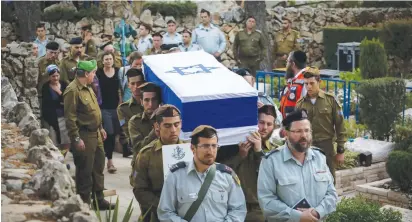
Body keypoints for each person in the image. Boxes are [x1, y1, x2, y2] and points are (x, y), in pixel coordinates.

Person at [258, 109, 338, 222]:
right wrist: (297, 217)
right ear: (286, 133)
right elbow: (266, 201)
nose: (304, 135)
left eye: (307, 130)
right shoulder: (271, 161)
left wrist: (317, 212)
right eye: (298, 131)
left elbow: (332, 194)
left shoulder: (320, 158)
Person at [157, 125, 247, 222]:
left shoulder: (227, 176)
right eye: (205, 146)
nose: (210, 151)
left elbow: (238, 209)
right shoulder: (176, 176)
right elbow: (165, 212)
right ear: (193, 148)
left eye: (214, 146)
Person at [63, 60, 115, 209]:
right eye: (92, 72)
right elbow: (70, 118)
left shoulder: (88, 87)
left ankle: (99, 199)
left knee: (98, 167)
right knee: (85, 170)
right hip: (84, 135)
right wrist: (76, 139)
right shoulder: (72, 91)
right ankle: (84, 203)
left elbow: (94, 110)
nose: (94, 75)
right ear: (86, 73)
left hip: (96, 133)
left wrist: (101, 128)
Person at [222, 105, 279, 222]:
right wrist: (240, 156)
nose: (264, 128)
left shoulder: (275, 150)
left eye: (269, 124)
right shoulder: (235, 146)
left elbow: (273, 176)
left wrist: (259, 152)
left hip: (258, 209)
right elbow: (221, 170)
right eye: (261, 122)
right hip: (232, 207)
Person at [133, 105, 184, 222]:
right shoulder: (146, 155)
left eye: (176, 124)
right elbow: (139, 190)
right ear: (157, 126)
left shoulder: (191, 150)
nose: (173, 130)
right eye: (167, 125)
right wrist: (163, 207)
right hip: (157, 214)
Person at [295, 67, 346, 181]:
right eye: (306, 84)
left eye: (312, 83)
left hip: (326, 146)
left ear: (319, 82)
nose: (308, 87)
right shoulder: (300, 104)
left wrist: (340, 150)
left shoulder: (330, 100)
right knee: (308, 179)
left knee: (329, 179)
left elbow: (340, 126)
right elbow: (296, 128)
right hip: (307, 147)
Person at [96, 52, 122, 173]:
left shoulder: (118, 72)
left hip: (116, 107)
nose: (108, 61)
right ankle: (110, 161)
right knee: (109, 133)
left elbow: (121, 89)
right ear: (102, 61)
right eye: (106, 59)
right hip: (104, 108)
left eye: (110, 59)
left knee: (116, 132)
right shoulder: (99, 73)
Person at [41, 65, 70, 156]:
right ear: (49, 77)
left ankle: (63, 157)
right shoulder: (46, 87)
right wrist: (60, 102)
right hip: (53, 118)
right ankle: (57, 158)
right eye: (53, 76)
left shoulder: (64, 84)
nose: (56, 78)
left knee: (66, 140)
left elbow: (68, 99)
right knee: (54, 140)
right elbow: (47, 104)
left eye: (57, 75)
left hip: (64, 116)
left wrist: (59, 92)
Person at [279, 50, 308, 119]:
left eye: (287, 61)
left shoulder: (306, 80)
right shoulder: (292, 80)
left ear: (293, 64)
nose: (286, 65)